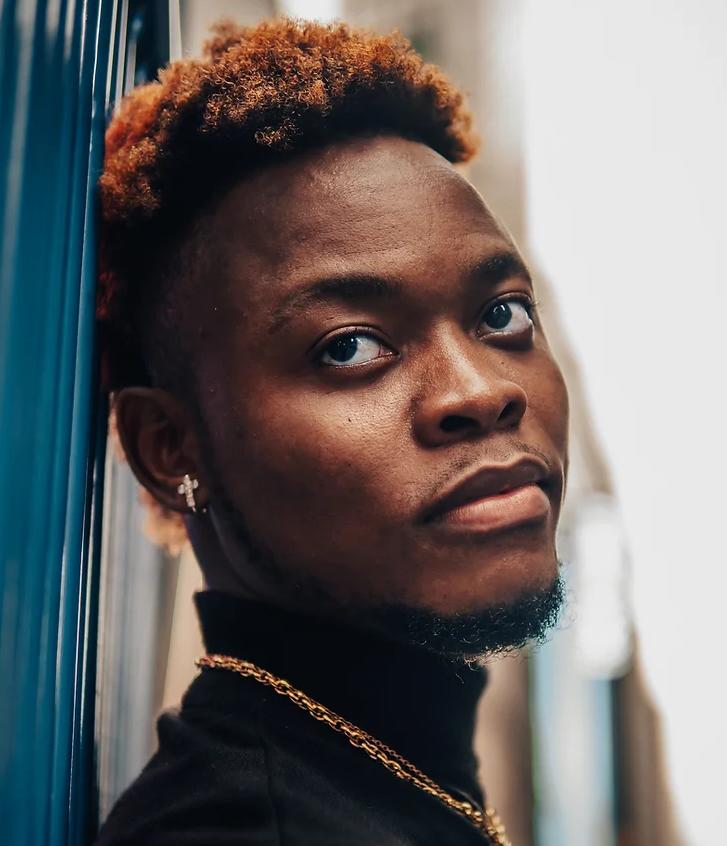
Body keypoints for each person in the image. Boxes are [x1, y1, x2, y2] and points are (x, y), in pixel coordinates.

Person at [95, 17, 569, 846]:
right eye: (350, 347)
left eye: (503, 314)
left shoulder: (378, 779)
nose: (480, 390)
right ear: (171, 449)